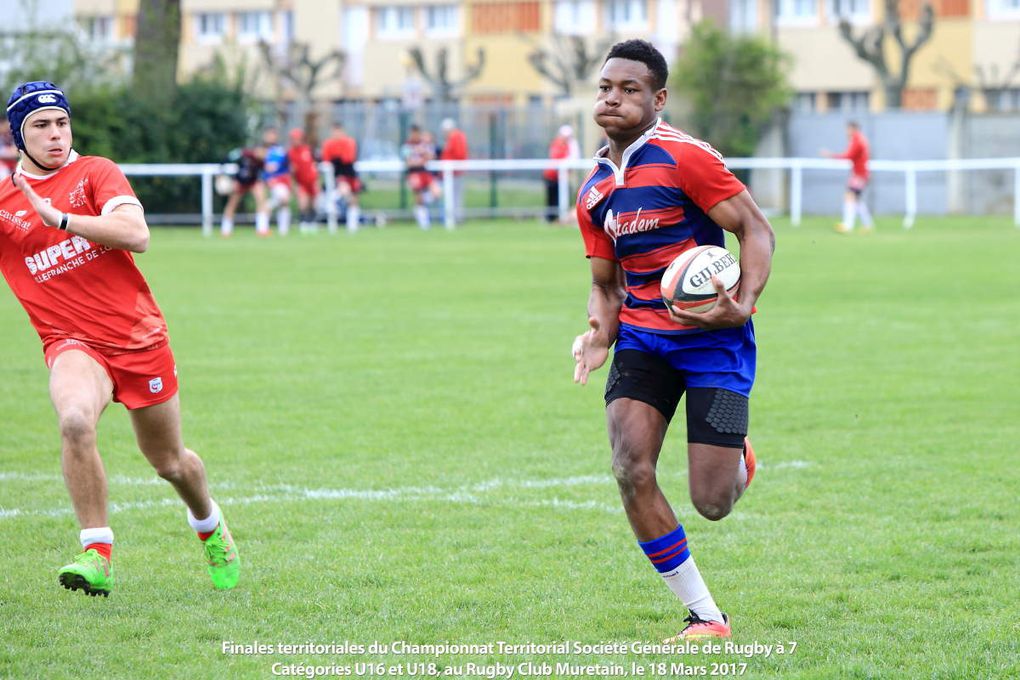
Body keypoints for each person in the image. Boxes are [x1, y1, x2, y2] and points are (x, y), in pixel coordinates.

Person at [0, 81, 240, 597]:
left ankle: (210, 524)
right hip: (71, 343)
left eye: (61, 122)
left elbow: (138, 234)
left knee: (170, 463)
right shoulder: (4, 201)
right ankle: (97, 555)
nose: (55, 134)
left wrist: (61, 219)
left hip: (138, 339)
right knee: (74, 420)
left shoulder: (96, 172)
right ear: (18, 136)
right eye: (40, 126)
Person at [570, 41, 775, 641]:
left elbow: (755, 230)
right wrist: (597, 335)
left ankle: (737, 455)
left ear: (657, 99)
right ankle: (707, 617)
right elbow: (605, 286)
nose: (613, 97)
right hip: (643, 339)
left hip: (714, 340)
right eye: (606, 87)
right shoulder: (594, 191)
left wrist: (742, 304)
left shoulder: (686, 159)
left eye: (630, 89)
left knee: (714, 501)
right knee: (630, 466)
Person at [822, 120, 874, 233]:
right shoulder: (861, 139)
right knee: (856, 199)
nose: (846, 132)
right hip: (861, 174)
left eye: (848, 129)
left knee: (849, 196)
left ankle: (848, 225)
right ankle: (868, 225)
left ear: (853, 129)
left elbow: (848, 155)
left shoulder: (858, 140)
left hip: (859, 175)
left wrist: (831, 155)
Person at [320, 122, 362, 233]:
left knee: (352, 199)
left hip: (349, 172)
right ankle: (330, 204)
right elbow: (326, 160)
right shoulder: (328, 144)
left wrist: (337, 158)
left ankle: (352, 226)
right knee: (342, 189)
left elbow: (348, 158)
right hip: (336, 174)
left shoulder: (349, 142)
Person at [220, 141, 267, 237]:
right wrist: (222, 174)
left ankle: (262, 229)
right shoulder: (244, 153)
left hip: (253, 182)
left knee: (261, 200)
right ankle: (225, 229)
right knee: (232, 203)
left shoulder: (262, 161)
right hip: (240, 182)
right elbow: (227, 158)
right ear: (256, 150)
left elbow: (262, 174)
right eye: (262, 152)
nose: (264, 154)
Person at [402, 124, 440, 229]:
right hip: (413, 173)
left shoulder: (424, 144)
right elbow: (408, 162)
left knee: (436, 193)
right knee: (419, 197)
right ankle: (424, 223)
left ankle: (420, 209)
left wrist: (423, 158)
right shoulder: (407, 146)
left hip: (424, 172)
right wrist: (421, 161)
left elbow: (431, 156)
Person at [543, 124, 580, 223]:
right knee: (552, 199)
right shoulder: (557, 144)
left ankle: (559, 218)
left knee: (561, 197)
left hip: (561, 177)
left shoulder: (570, 145)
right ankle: (551, 219)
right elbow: (557, 159)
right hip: (552, 176)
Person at [287, 127, 320, 233]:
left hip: (312, 181)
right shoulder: (290, 153)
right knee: (303, 202)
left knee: (313, 203)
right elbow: (291, 171)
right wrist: (293, 185)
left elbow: (314, 165)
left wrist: (316, 181)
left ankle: (312, 222)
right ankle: (303, 222)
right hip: (301, 183)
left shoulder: (307, 150)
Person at [261, 127, 292, 236]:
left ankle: (283, 230)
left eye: (273, 135)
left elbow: (287, 167)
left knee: (284, 202)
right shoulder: (261, 151)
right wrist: (267, 179)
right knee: (282, 199)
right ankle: (263, 227)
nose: (271, 137)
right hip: (271, 180)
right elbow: (263, 168)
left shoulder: (280, 150)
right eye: (269, 135)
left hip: (282, 180)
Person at [438, 118, 468, 225]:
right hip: (449, 173)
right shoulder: (452, 138)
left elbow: (459, 155)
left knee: (456, 197)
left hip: (455, 173)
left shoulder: (457, 138)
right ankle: (451, 218)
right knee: (451, 196)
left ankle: (457, 219)